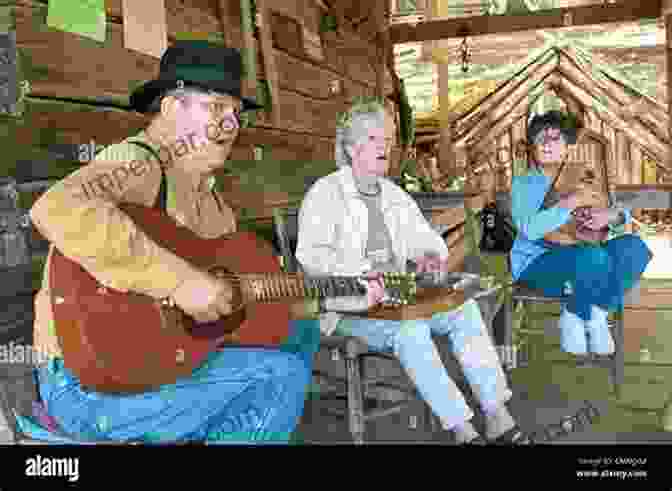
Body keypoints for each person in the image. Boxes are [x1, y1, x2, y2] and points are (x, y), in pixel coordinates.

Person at [19, 41, 321, 444]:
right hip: (84, 385)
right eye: (216, 108)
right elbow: (57, 207)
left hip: (158, 364)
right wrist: (180, 282)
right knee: (279, 377)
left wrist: (329, 293)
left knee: (300, 330)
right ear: (170, 109)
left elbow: (245, 302)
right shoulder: (138, 161)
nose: (230, 125)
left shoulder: (214, 207)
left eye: (235, 113)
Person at [295, 96, 533, 444]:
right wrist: (363, 275)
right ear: (349, 148)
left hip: (397, 299)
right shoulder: (324, 195)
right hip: (349, 306)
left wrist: (428, 256)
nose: (385, 148)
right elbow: (312, 260)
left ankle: (497, 413)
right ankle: (462, 430)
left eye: (388, 141)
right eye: (374, 140)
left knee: (464, 310)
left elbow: (425, 240)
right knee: (411, 331)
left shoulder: (392, 195)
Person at [510, 110, 653, 358]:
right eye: (540, 138)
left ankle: (594, 311)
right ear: (532, 147)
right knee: (594, 257)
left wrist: (610, 217)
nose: (546, 143)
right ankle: (580, 312)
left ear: (568, 146)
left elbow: (619, 214)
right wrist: (568, 203)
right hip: (537, 262)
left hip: (585, 256)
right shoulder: (524, 184)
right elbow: (530, 229)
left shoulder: (583, 176)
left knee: (635, 248)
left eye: (555, 138)